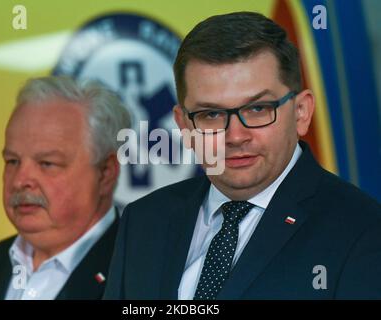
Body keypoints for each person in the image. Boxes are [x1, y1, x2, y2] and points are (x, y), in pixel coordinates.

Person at [104, 12, 381, 300]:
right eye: (211, 114)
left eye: (258, 109)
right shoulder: (143, 222)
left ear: (301, 112)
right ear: (185, 126)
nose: (235, 136)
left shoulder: (362, 232)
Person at [0, 76, 131, 299]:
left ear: (106, 173)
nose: (20, 181)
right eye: (12, 161)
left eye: (47, 163)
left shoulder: (142, 273)